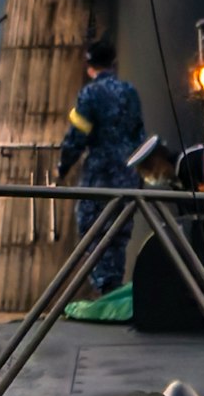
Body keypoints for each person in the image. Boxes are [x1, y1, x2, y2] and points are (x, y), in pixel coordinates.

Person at [57, 26, 146, 301]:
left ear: (89, 65)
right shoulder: (129, 92)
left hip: (100, 176)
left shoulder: (89, 95)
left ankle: (104, 286)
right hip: (127, 175)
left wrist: (63, 166)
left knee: (91, 230)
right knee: (118, 233)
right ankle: (114, 284)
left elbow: (77, 136)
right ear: (113, 63)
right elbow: (139, 133)